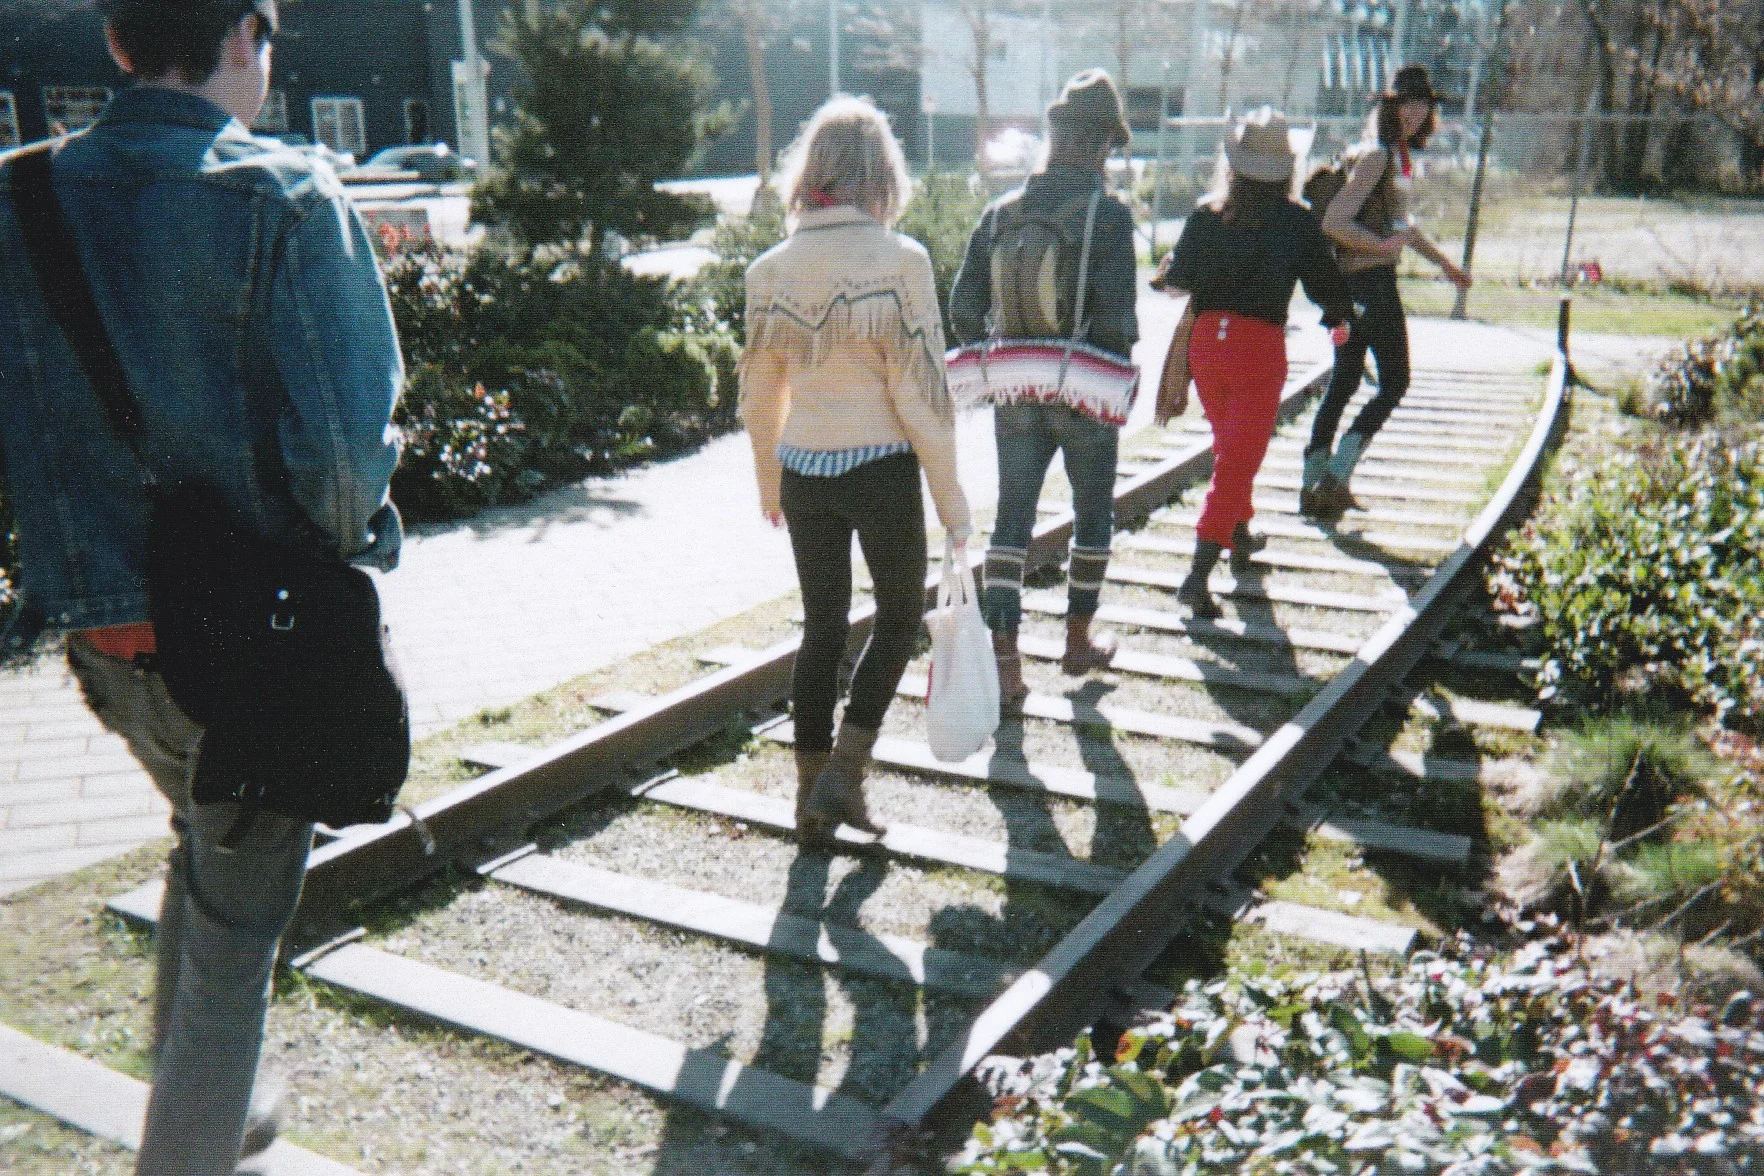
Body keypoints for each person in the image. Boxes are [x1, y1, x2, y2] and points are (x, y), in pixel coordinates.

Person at [0, 2, 404, 1172]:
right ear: (242, 38)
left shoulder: (19, 198)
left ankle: (214, 1106)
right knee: (239, 927)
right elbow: (341, 461)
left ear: (121, 45)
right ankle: (192, 1142)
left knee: (213, 840)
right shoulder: (282, 194)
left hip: (95, 638)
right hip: (244, 647)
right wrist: (351, 551)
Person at [739, 95, 971, 843]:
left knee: (822, 629)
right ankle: (842, 776)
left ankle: (811, 803)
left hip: (805, 473)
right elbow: (924, 397)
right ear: (882, 175)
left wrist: (769, 484)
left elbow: (757, 393)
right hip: (881, 473)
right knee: (901, 617)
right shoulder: (902, 262)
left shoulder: (769, 270)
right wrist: (953, 504)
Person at [949, 69, 1139, 712]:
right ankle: (1078, 640)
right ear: (1104, 144)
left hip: (1017, 388)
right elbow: (1120, 319)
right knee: (1093, 513)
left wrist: (1015, 350)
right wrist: (1099, 366)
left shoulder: (1000, 213)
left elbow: (963, 310)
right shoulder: (1108, 216)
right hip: (1083, 386)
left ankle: (1006, 664)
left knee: (1011, 520)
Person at [1153, 107, 1356, 618]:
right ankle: (1196, 578)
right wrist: (1343, 318)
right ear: (1284, 168)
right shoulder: (1295, 221)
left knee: (1231, 452)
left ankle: (1240, 538)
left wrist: (1169, 274)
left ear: (1235, 166)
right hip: (1256, 348)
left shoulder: (1205, 214)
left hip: (1207, 345)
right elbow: (1324, 287)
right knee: (1238, 462)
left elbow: (1177, 279)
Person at [1300, 63, 1472, 518]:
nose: (1415, 114)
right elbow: (1334, 222)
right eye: (1406, 104)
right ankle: (1333, 477)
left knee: (1347, 379)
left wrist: (1445, 265)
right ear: (1390, 106)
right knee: (1395, 381)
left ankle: (1313, 482)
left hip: (1355, 285)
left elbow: (1402, 228)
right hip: (1370, 285)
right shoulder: (1378, 156)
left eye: (1423, 105)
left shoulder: (1391, 156)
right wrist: (1380, 245)